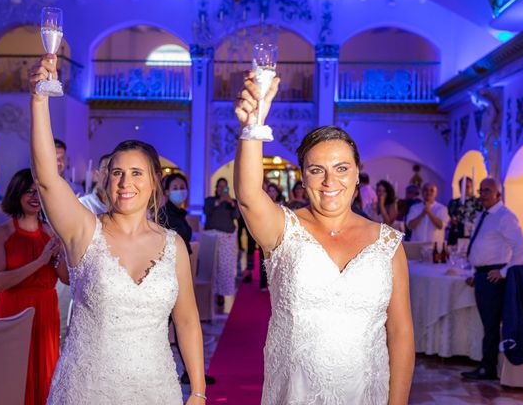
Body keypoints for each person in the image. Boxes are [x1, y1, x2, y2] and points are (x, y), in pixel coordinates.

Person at [28, 54, 206, 405]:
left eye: (137, 173)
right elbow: (46, 179)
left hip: (156, 390)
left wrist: (198, 391)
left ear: (155, 182)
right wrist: (38, 100)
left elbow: (186, 320)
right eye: (117, 172)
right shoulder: (83, 230)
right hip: (86, 389)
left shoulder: (173, 246)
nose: (126, 182)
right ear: (107, 180)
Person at [234, 72, 414, 404]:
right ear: (303, 178)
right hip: (295, 394)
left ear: (358, 173)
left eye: (342, 168)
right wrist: (253, 127)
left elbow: (401, 334)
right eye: (317, 170)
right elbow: (247, 196)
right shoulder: (282, 229)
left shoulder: (387, 245)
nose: (330, 181)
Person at [0, 168, 69, 405]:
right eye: (28, 192)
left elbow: (64, 278)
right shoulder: (1, 233)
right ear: (17, 194)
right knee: (11, 376)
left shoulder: (51, 232)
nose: (35, 197)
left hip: (44, 312)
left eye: (39, 192)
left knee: (43, 376)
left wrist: (60, 257)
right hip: (12, 310)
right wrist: (40, 261)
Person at [461, 177, 523, 381]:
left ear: (499, 194)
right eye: (481, 191)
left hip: (494, 277)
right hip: (483, 275)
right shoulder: (485, 214)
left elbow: (522, 250)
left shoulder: (505, 217)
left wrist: (504, 272)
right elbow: (485, 247)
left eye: (487, 191)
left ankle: (487, 367)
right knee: (487, 323)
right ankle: (487, 364)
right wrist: (476, 272)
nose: (482, 195)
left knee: (491, 325)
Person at [158, 173, 216, 386]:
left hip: (178, 275)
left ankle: (190, 374)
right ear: (166, 191)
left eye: (183, 186)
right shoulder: (164, 215)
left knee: (179, 324)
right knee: (169, 325)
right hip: (168, 276)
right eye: (175, 186)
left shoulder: (178, 213)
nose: (180, 190)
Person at [203, 178, 239, 306]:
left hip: (227, 237)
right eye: (220, 187)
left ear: (227, 189)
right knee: (212, 266)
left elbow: (237, 216)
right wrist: (218, 202)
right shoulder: (210, 200)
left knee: (224, 267)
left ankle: (221, 293)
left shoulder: (232, 202)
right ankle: (208, 292)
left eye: (224, 187)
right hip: (211, 237)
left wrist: (231, 203)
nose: (222, 189)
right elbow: (206, 212)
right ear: (216, 188)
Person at [447, 177, 483, 245]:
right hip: (456, 237)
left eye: (467, 187)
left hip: (472, 236)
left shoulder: (477, 203)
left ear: (472, 187)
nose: (465, 189)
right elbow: (451, 215)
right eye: (462, 187)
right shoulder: (453, 203)